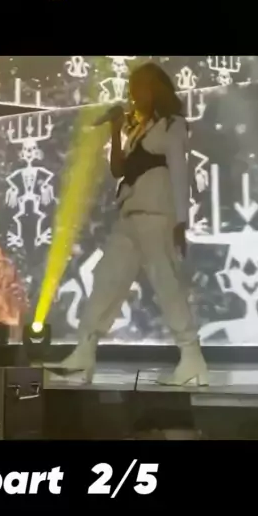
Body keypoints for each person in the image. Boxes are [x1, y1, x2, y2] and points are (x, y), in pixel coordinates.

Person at [48, 61, 209, 387]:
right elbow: (118, 169)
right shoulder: (138, 129)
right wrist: (116, 128)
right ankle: (84, 351)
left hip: (156, 215)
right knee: (106, 279)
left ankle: (192, 357)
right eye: (132, 89)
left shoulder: (172, 125)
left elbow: (179, 172)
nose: (134, 95)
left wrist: (181, 220)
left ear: (155, 90)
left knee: (166, 283)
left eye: (140, 88)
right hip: (129, 216)